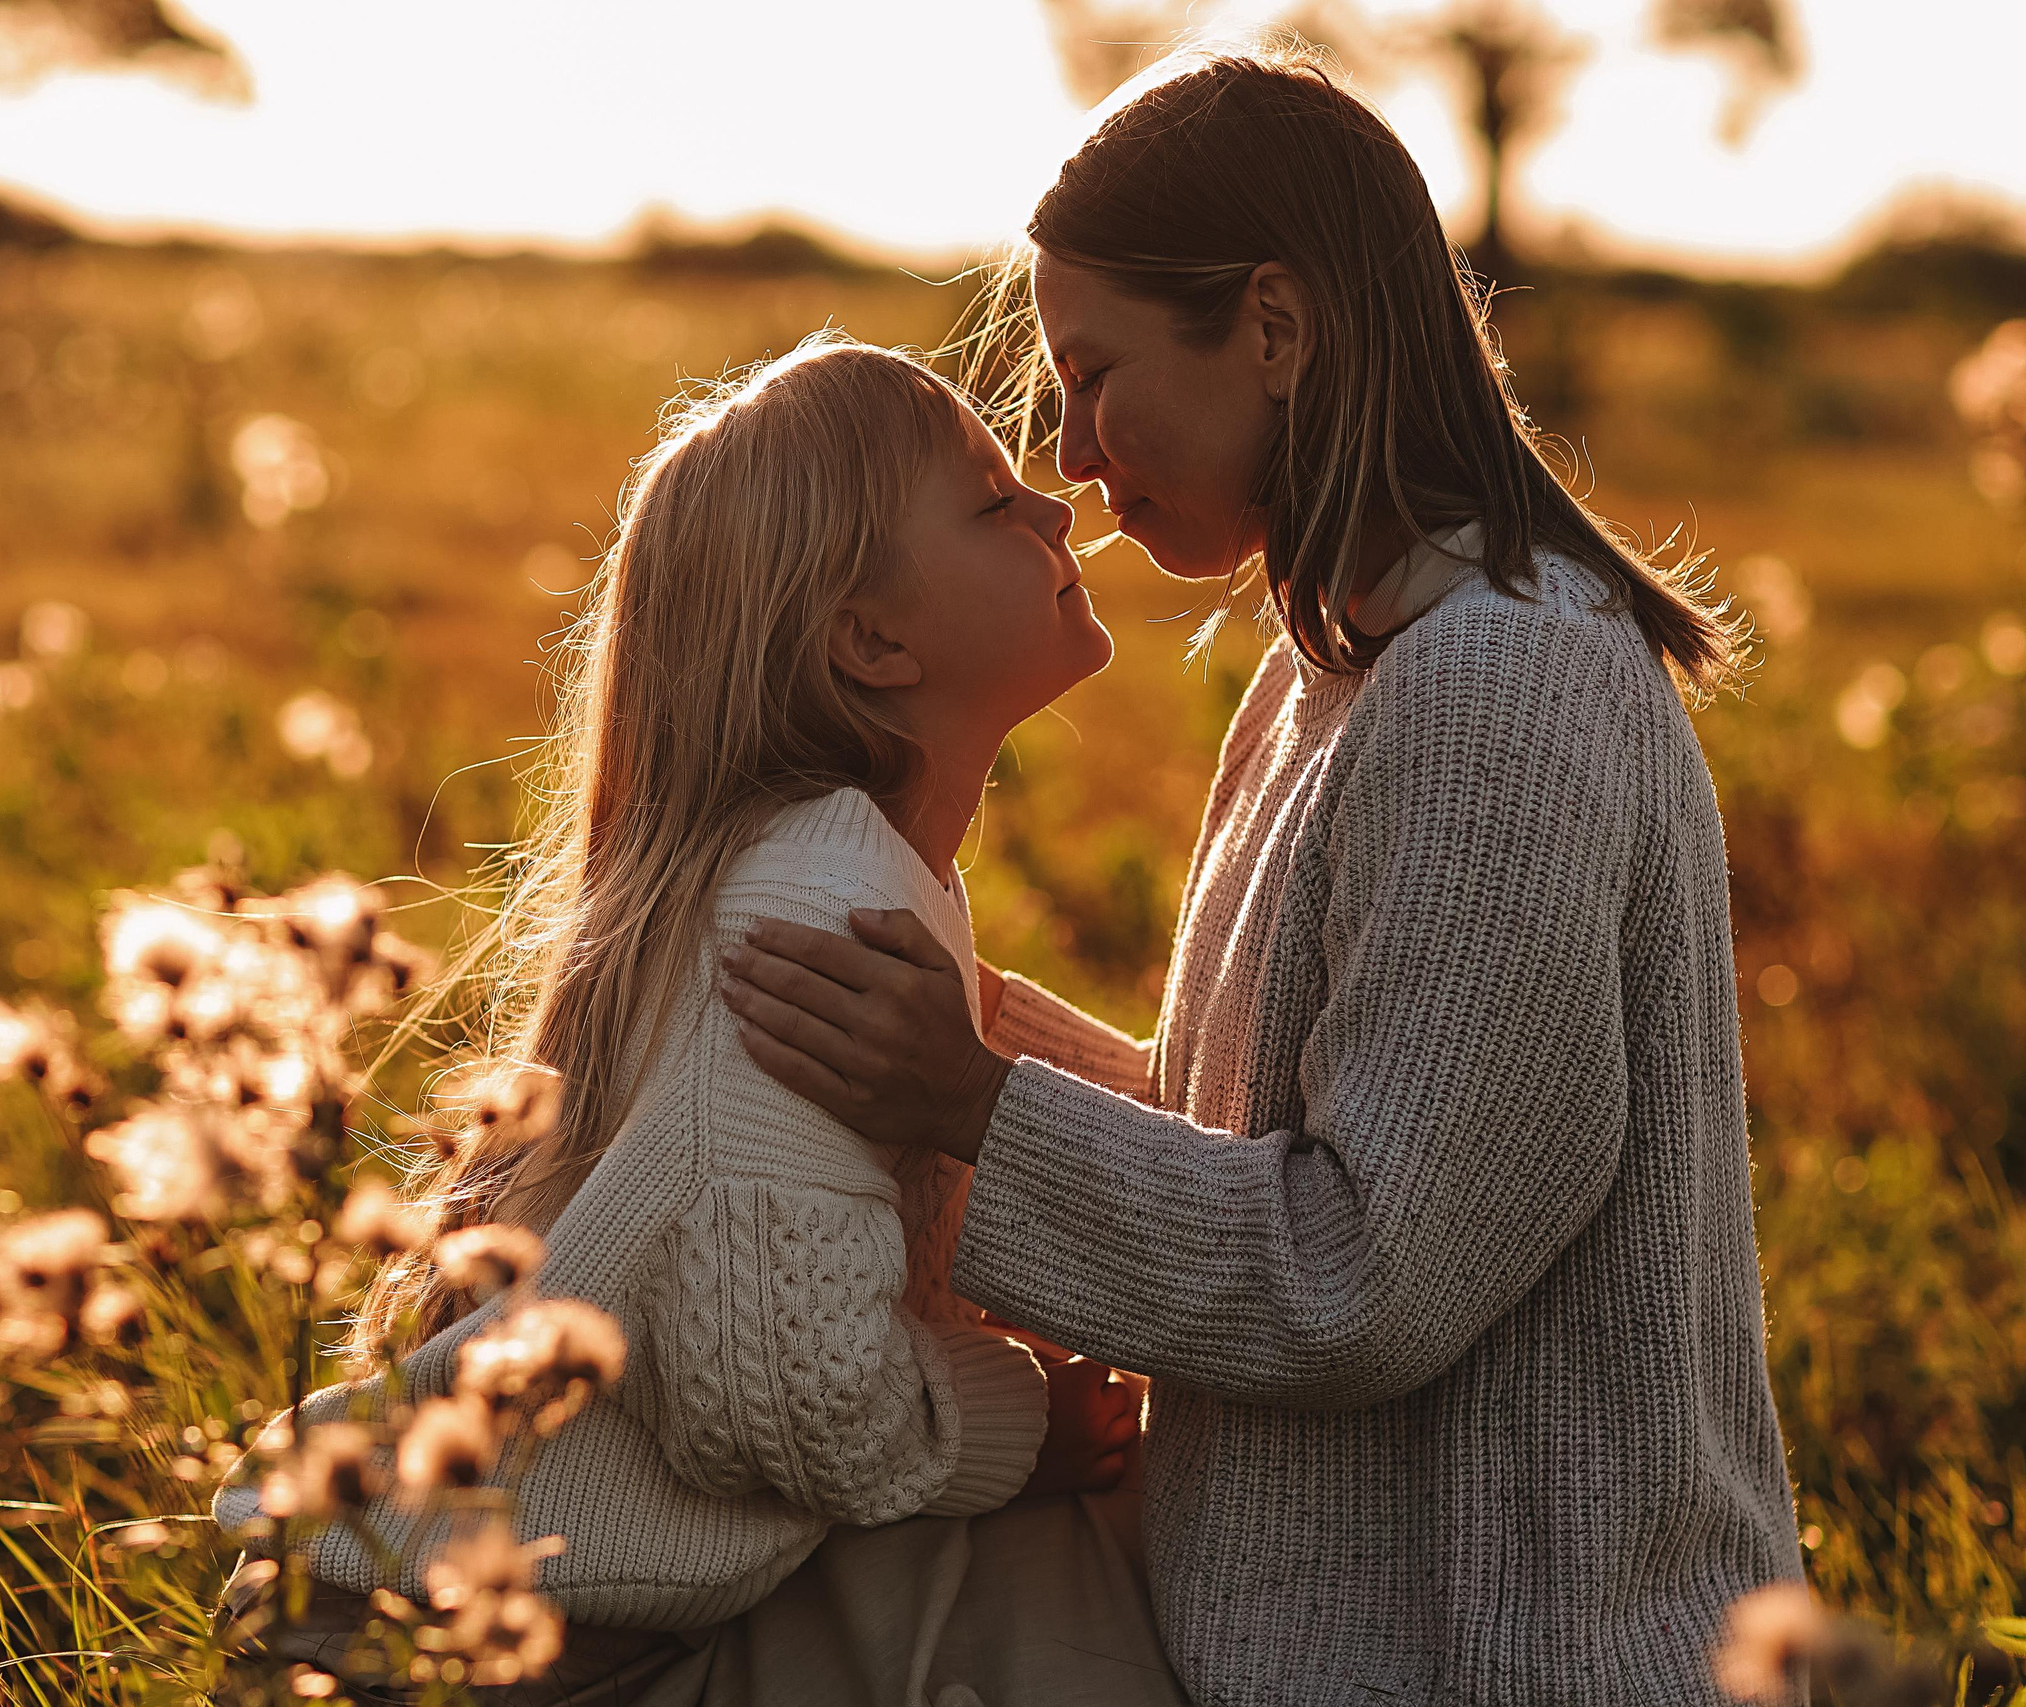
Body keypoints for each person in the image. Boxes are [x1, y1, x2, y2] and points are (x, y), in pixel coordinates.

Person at [719, 46, 1807, 1706]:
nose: (1071, 457)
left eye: (1094, 376)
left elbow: (1362, 1273)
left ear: (1276, 330)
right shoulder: (1341, 666)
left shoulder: (1498, 690)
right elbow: (1297, 1139)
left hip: (1511, 1663)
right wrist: (987, 1037)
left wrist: (975, 1101)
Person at [215, 334, 1183, 1705]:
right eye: (992, 501)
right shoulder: (823, 890)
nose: (1055, 504)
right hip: (450, 1654)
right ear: (871, 639)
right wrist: (1031, 1427)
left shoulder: (836, 868)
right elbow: (786, 1403)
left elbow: (961, 1073)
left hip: (447, 1603)